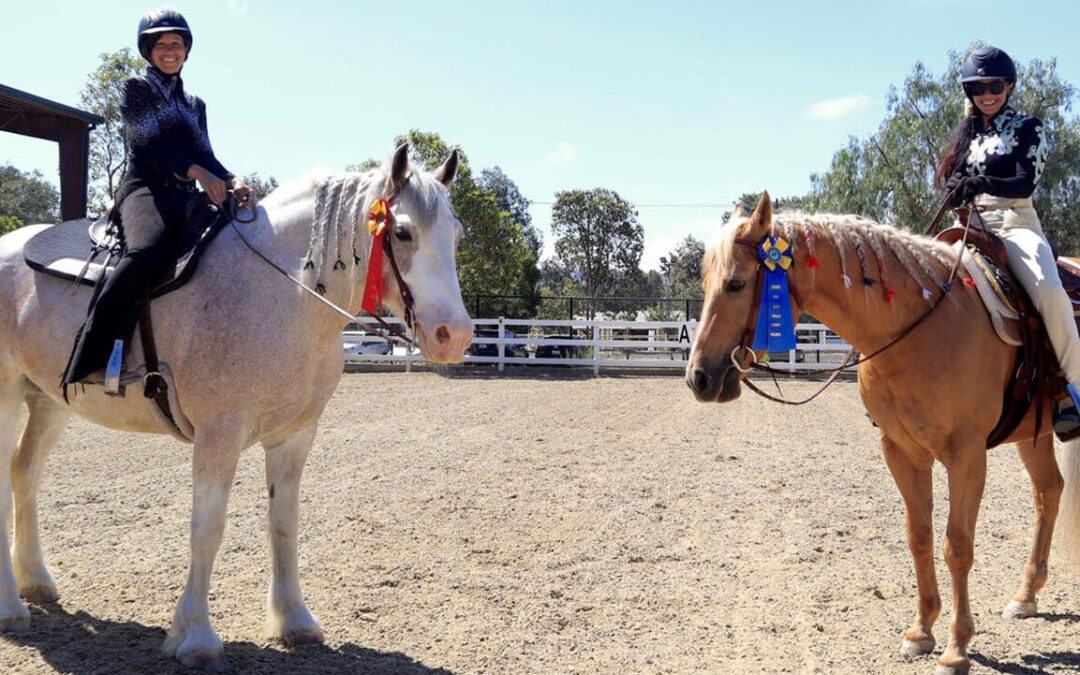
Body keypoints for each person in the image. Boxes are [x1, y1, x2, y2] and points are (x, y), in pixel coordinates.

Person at [62, 9, 251, 395]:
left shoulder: (195, 103)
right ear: (148, 50)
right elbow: (148, 144)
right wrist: (198, 173)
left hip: (184, 194)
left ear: (186, 50)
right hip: (145, 187)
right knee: (147, 251)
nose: (169, 51)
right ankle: (92, 358)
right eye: (161, 44)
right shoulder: (137, 87)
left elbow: (206, 153)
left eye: (176, 44)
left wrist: (233, 179)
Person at [936, 45, 1080, 439]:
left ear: (1009, 86)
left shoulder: (1028, 127)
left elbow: (1024, 181)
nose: (986, 94)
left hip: (1014, 223)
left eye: (994, 85)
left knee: (1049, 291)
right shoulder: (965, 133)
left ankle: (1073, 388)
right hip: (967, 224)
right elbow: (955, 181)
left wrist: (981, 181)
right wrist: (955, 187)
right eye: (977, 87)